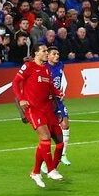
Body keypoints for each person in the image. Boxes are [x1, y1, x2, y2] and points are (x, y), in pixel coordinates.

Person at [12, 44, 64, 187]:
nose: (47, 53)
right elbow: (15, 82)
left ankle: (35, 172)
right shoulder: (28, 66)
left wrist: (58, 92)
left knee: (60, 140)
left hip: (47, 109)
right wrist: (21, 98)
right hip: (33, 109)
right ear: (36, 53)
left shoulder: (47, 68)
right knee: (45, 137)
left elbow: (50, 87)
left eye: (47, 51)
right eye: (44, 51)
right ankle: (51, 170)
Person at [47, 46, 71, 166]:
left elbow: (63, 80)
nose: (57, 56)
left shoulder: (61, 65)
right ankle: (45, 162)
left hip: (58, 100)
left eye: (58, 54)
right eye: (54, 54)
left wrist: (62, 91)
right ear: (48, 56)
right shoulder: (44, 67)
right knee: (48, 132)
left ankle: (63, 154)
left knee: (65, 125)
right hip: (48, 101)